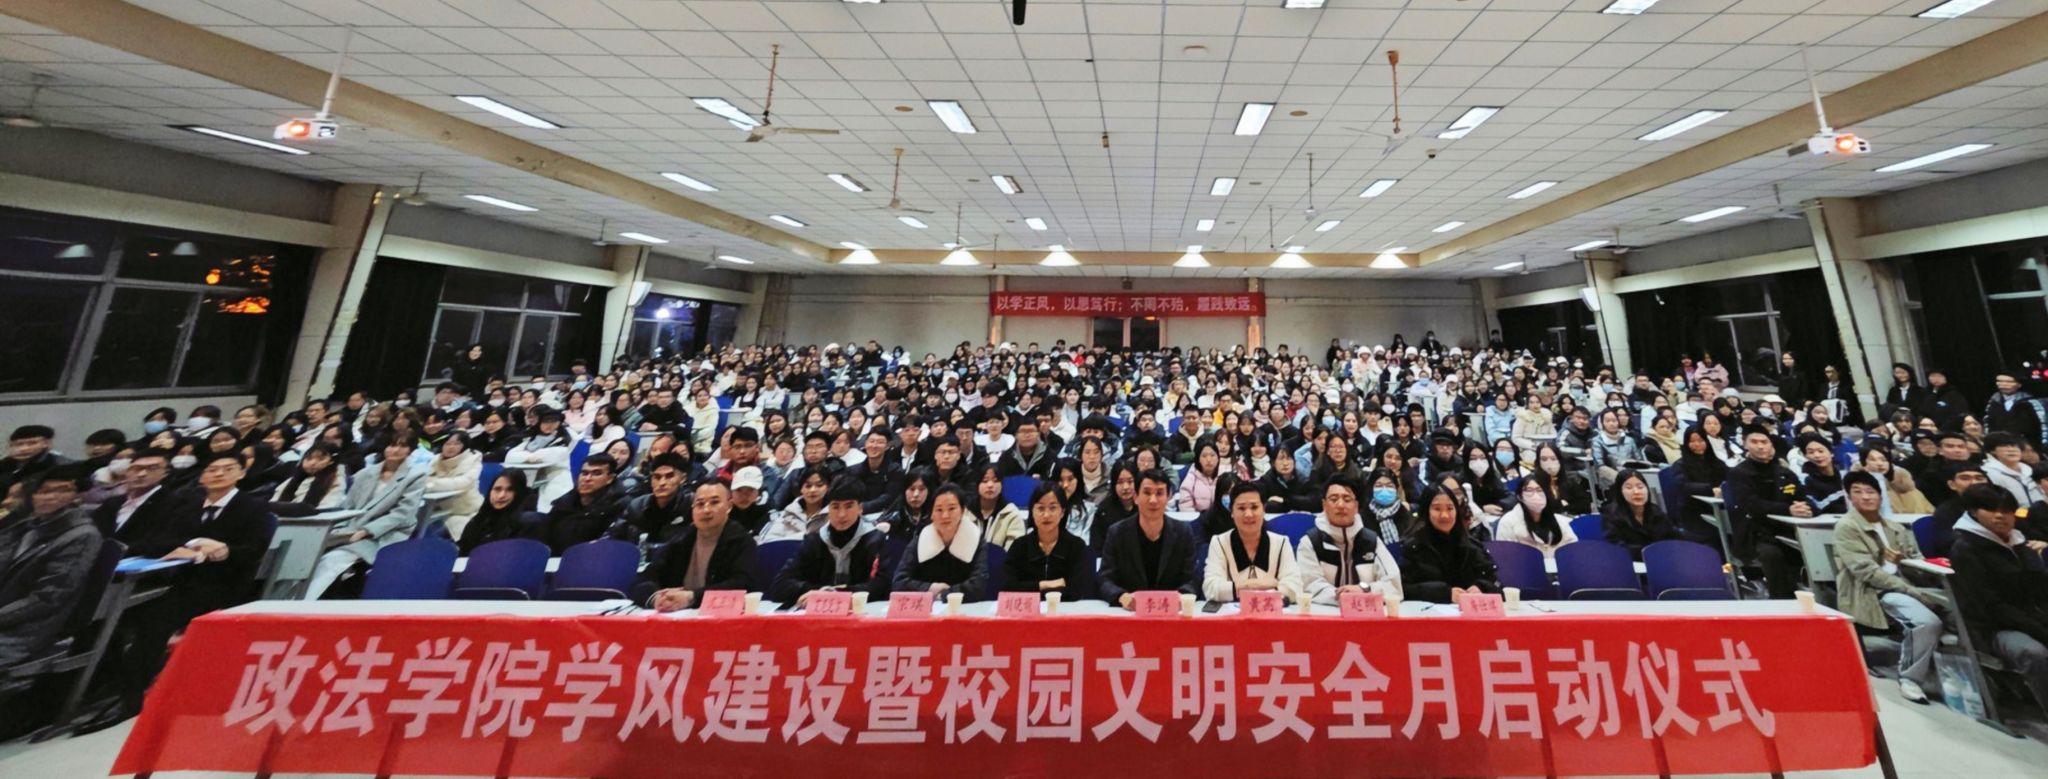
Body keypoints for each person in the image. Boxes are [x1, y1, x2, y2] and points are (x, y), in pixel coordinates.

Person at [95, 452, 274, 726]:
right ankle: (118, 687)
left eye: (227, 469)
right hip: (179, 580)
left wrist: (225, 551)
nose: (218, 473)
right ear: (202, 476)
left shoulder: (253, 507)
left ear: (241, 474)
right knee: (131, 615)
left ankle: (131, 696)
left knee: (156, 619)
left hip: (225, 584)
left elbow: (254, 551)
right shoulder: (187, 506)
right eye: (212, 469)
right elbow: (159, 541)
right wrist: (191, 544)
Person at [1831, 471, 1945, 704]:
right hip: (1872, 591)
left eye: (1871, 491)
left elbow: (1917, 561)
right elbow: (1865, 572)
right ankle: (1910, 679)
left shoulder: (1896, 527)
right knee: (1926, 622)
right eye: (1857, 492)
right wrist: (1908, 589)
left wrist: (1905, 562)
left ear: (1880, 496)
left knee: (1959, 612)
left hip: (1907, 585)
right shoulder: (1847, 527)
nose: (1865, 497)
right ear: (1850, 498)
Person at [1946, 484, 2048, 709]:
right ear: (1974, 512)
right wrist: (2039, 628)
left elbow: (2040, 587)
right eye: (1991, 509)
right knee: (2034, 653)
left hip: (2032, 618)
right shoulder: (1965, 549)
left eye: (2007, 510)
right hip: (1994, 628)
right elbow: (1988, 606)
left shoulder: (2020, 543)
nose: (2001, 516)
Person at [0, 467, 102, 668]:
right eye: (44, 491)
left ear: (76, 496)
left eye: (63, 490)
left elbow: (47, 598)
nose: (50, 497)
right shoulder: (26, 526)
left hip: (23, 631)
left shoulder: (82, 536)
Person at [304, 437, 427, 599]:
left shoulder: (416, 475)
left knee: (332, 560)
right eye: (391, 445)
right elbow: (348, 506)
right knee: (306, 554)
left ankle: (302, 604)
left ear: (410, 451)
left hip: (385, 534)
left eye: (402, 446)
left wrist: (366, 531)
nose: (395, 450)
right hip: (351, 528)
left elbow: (402, 514)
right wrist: (337, 528)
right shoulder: (365, 473)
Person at [635, 480, 757, 612]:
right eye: (700, 504)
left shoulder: (740, 540)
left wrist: (692, 597)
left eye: (714, 502)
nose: (706, 510)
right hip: (677, 615)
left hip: (718, 616)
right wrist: (656, 598)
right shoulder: (682, 539)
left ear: (729, 506)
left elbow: (742, 585)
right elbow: (645, 577)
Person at [1725, 424, 1813, 600]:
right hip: (1756, 533)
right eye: (1754, 442)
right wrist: (1787, 510)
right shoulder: (1739, 473)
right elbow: (1751, 504)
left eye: (1764, 442)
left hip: (1788, 529)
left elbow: (1802, 497)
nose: (1760, 446)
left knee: (1812, 548)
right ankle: (1782, 601)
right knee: (1773, 554)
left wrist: (1808, 510)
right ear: (1745, 444)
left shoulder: (1784, 473)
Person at [770, 476, 886, 605]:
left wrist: (835, 594)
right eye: (835, 507)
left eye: (849, 506)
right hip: (819, 612)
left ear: (860, 508)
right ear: (828, 509)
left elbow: (883, 587)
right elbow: (780, 585)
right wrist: (820, 592)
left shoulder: (876, 540)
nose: (841, 514)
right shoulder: (814, 540)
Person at [1099, 468, 1199, 608]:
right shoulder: (1117, 533)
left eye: (1159, 493)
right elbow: (1104, 579)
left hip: (1171, 612)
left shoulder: (1183, 532)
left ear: (1169, 496)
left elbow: (1193, 578)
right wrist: (1121, 596)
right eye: (1147, 493)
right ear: (1135, 497)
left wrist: (1182, 595)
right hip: (1130, 613)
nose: (1153, 500)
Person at [1296, 477, 1402, 606]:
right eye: (1334, 499)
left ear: (1356, 506)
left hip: (1365, 613)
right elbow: (1309, 585)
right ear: (1324, 505)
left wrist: (1364, 589)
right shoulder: (1310, 542)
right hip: (1324, 612)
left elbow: (1394, 585)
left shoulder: (1371, 541)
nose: (1340, 505)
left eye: (1347, 500)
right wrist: (1343, 596)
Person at [1199, 481, 1304, 604]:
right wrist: (1256, 585)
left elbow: (1295, 588)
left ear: (1264, 509)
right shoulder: (1219, 542)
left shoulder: (1281, 543)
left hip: (1271, 612)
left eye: (1254, 507)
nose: (1248, 514)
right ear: (1232, 512)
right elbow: (1211, 588)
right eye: (1241, 508)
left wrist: (1235, 588)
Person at [1401, 484, 1501, 604]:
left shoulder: (1471, 544)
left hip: (1469, 610)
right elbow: (1404, 588)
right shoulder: (1413, 547)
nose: (1445, 515)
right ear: (1426, 511)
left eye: (1450, 508)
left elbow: (1494, 581)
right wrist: (1444, 593)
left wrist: (1481, 587)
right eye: (1437, 509)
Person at [891, 483, 989, 600]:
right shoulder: (920, 539)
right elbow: (899, 582)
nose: (945, 515)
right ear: (931, 514)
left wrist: (945, 594)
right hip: (927, 607)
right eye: (939, 510)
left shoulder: (976, 539)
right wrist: (929, 588)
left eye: (951, 508)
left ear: (962, 511)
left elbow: (979, 586)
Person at [1002, 481, 1095, 599]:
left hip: (1066, 608)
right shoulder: (1020, 546)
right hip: (1029, 609)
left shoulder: (1076, 546)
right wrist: (1044, 585)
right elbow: (1008, 587)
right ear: (1032, 512)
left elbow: (1078, 589)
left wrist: (1032, 589)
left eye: (1053, 508)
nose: (1046, 515)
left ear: (1062, 512)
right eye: (1040, 508)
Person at [530, 452, 630, 554]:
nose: (587, 479)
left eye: (596, 474)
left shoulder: (619, 505)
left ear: (610, 479)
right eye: (584, 473)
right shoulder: (565, 502)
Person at [90, 448, 190, 546]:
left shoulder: (174, 504)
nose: (141, 474)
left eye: (152, 468)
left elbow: (163, 541)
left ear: (166, 473)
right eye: (136, 468)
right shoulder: (112, 503)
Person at [1495, 470, 1579, 560]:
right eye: (1529, 490)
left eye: (1540, 490)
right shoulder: (1508, 522)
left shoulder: (1560, 520)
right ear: (1520, 496)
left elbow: (1573, 549)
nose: (1536, 496)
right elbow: (1505, 557)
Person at [1601, 469, 1684, 558]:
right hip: (1631, 562)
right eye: (1629, 488)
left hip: (1660, 560)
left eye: (1640, 487)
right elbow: (1616, 547)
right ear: (1620, 492)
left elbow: (1673, 537)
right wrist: (1651, 552)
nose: (1636, 492)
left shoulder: (1655, 511)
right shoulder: (1611, 515)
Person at [621, 453, 694, 545]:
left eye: (669, 476)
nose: (662, 483)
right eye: (657, 477)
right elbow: (615, 537)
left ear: (683, 478)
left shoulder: (691, 506)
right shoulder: (636, 506)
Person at [460, 470, 537, 556]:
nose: (501, 495)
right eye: (497, 489)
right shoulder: (479, 520)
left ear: (519, 493)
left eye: (510, 490)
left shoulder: (527, 523)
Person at [424, 431, 483, 537]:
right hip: (436, 507)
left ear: (465, 446)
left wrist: (433, 483)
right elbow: (423, 478)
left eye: (457, 444)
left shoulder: (473, 459)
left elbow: (465, 482)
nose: (451, 447)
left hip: (467, 508)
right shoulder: (436, 459)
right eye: (448, 443)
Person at [1924, 463, 1989, 557]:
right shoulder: (1946, 510)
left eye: (1979, 478)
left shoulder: (1998, 505)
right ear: (1952, 485)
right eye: (1965, 478)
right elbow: (1949, 545)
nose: (1974, 483)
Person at [758, 466, 836, 543]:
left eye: (819, 485)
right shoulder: (788, 513)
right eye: (808, 486)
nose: (812, 490)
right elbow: (768, 541)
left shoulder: (834, 514)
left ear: (828, 487)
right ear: (801, 489)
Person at [1983, 432, 2046, 507]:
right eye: (2005, 446)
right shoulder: (1988, 473)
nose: (2011, 450)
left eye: (2014, 446)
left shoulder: (2029, 470)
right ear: (1992, 451)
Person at [0, 425, 69, 494]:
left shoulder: (61, 467)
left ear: (46, 444)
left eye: (32, 443)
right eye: (19, 444)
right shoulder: (4, 465)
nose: (24, 449)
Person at [1982, 371, 2043, 444]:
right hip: (2000, 442)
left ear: (2019, 384)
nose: (2004, 384)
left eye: (2009, 382)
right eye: (2000, 381)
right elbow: (1988, 422)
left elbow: (2039, 424)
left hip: (2025, 442)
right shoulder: (1993, 402)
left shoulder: (2030, 402)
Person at [1172, 442, 1223, 512]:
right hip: (1196, 516)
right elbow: (1185, 504)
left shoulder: (1223, 476)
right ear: (1198, 459)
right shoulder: (1191, 476)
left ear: (1218, 458)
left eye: (1212, 455)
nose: (1208, 459)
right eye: (1204, 456)